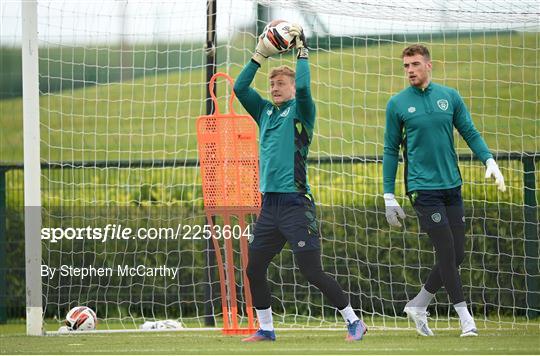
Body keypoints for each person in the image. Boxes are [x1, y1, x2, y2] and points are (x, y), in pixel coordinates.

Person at [233, 24, 367, 342]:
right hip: (270, 206)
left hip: (295, 203)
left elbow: (306, 90)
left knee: (311, 270)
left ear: (292, 87)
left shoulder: (301, 110)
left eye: (282, 83)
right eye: (273, 83)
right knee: (254, 269)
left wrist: (302, 53)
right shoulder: (265, 111)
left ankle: (354, 322)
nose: (276, 87)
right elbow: (239, 89)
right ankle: (266, 329)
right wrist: (258, 55)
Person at [383, 44, 506, 337]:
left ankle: (419, 304)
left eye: (414, 64)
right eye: (405, 66)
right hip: (422, 189)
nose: (410, 70)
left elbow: (470, 132)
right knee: (446, 250)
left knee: (457, 253)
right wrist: (389, 194)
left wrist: (489, 160)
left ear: (429, 65)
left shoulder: (449, 97)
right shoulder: (397, 104)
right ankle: (465, 318)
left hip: (452, 185)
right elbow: (390, 150)